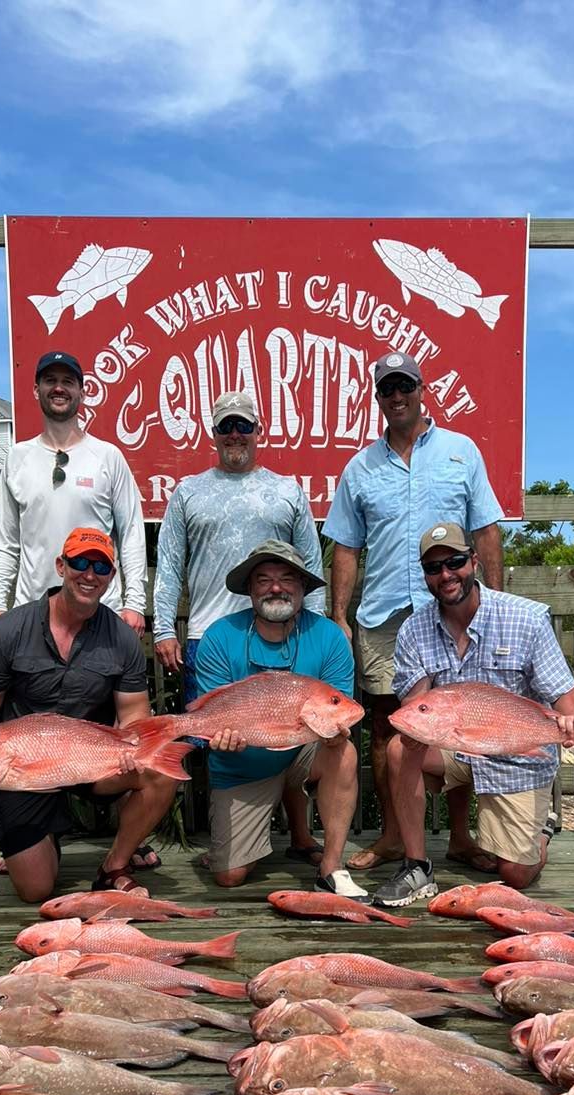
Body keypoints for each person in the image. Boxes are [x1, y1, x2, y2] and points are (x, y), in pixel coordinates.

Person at [324, 351, 506, 874]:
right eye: (387, 389)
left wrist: (492, 600)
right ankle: (391, 836)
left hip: (451, 610)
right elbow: (346, 548)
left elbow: (487, 528)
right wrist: (340, 613)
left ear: (422, 388)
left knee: (454, 721)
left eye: (405, 385)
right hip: (382, 615)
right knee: (385, 728)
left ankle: (459, 836)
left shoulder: (461, 452)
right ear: (378, 397)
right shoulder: (360, 467)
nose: (397, 396)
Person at [0, 528, 180, 904]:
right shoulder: (8, 631)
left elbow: (134, 713)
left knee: (159, 767)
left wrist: (130, 748)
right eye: (80, 563)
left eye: (101, 566)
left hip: (91, 759)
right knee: (35, 890)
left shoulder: (122, 638)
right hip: (25, 767)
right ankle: (39, 837)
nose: (89, 574)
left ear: (111, 576)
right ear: (61, 565)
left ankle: (114, 866)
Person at [371, 523, 574, 909]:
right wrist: (411, 726)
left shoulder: (525, 618)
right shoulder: (413, 630)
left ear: (473, 561)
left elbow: (566, 699)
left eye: (455, 562)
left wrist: (573, 725)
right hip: (455, 744)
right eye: (433, 568)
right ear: (425, 576)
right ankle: (417, 866)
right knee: (397, 749)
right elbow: (416, 706)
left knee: (515, 875)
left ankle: (543, 828)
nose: (445, 575)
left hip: (515, 752)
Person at [152, 390, 326, 865]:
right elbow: (169, 567)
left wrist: (320, 628)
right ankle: (226, 839)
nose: (235, 434)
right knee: (215, 740)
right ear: (214, 433)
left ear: (258, 431)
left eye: (243, 426)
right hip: (209, 638)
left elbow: (310, 563)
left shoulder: (287, 489)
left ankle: (301, 835)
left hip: (284, 630)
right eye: (226, 425)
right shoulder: (188, 491)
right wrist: (164, 629)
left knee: (294, 730)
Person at [194, 540, 366, 897]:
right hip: (242, 764)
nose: (276, 587)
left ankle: (331, 868)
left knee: (344, 751)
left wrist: (335, 732)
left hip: (304, 752)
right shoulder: (219, 637)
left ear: (303, 588)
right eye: (263, 580)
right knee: (230, 876)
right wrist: (214, 735)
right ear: (249, 591)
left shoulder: (330, 638)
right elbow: (206, 711)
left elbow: (339, 713)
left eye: (288, 579)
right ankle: (250, 839)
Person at [0, 351, 147, 637]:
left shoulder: (108, 457)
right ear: (37, 390)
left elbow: (132, 534)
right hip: (33, 614)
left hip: (100, 613)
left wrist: (134, 603)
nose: (59, 388)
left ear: (82, 392)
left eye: (68, 381)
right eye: (50, 380)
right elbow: (5, 541)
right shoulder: (17, 458)